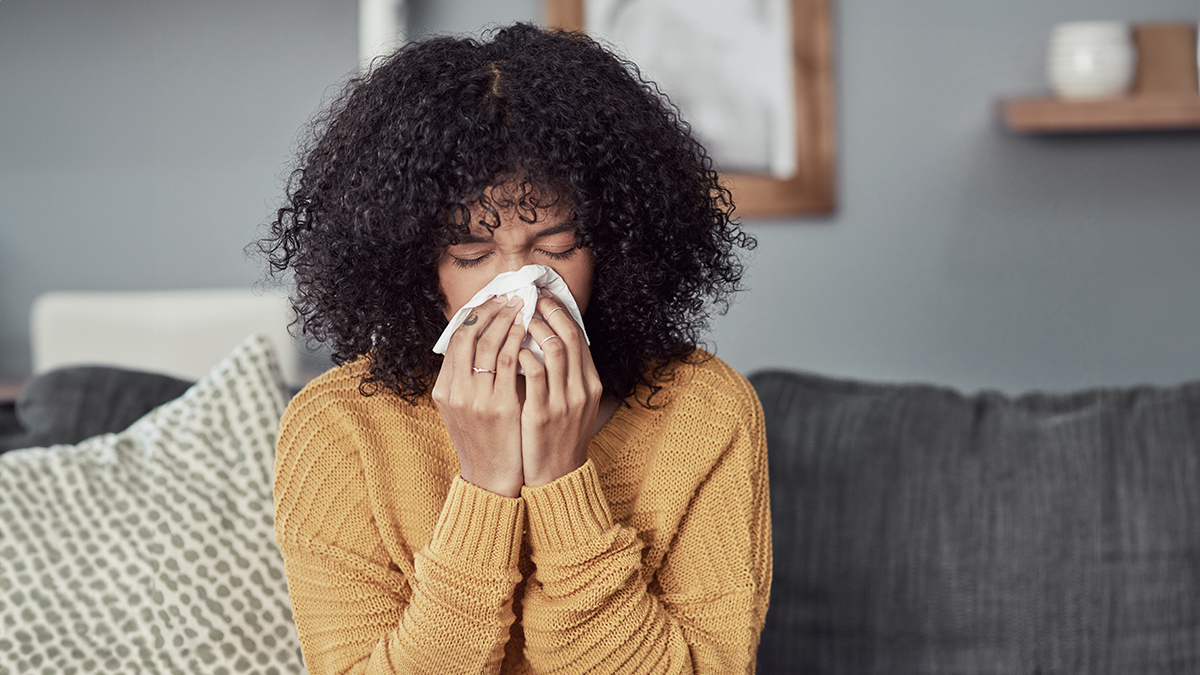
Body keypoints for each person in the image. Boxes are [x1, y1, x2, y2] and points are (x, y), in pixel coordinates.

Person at [259, 23, 770, 674]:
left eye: (556, 249)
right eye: (472, 254)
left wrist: (562, 480)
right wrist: (483, 488)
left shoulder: (706, 412)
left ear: (614, 247)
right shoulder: (338, 429)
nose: (518, 286)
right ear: (416, 264)